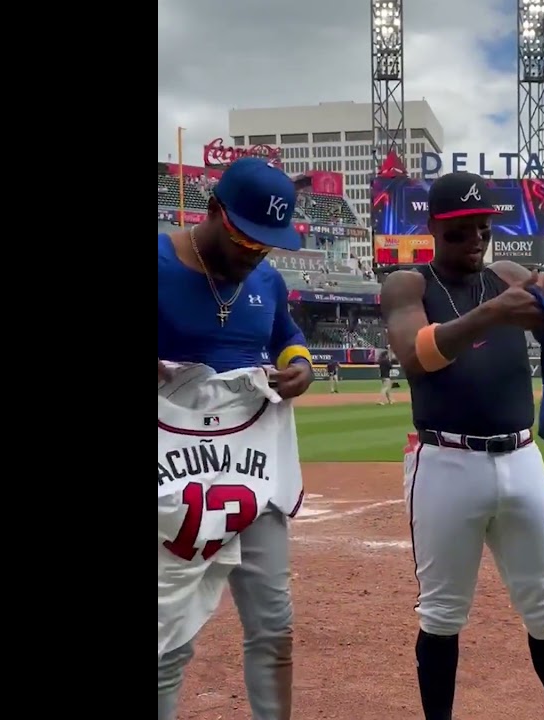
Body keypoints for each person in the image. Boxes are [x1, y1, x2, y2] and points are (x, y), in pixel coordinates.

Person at [380, 172, 544, 720]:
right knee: (443, 613)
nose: (476, 239)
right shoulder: (409, 285)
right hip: (445, 461)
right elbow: (416, 356)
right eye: (460, 231)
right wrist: (492, 314)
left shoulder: (507, 274)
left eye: (483, 228)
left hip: (522, 458)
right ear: (432, 228)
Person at [156, 157, 314, 720]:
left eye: (267, 244)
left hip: (250, 466)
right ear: (214, 210)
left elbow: (287, 337)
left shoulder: (266, 280)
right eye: (245, 238)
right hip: (169, 477)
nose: (255, 253)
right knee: (164, 638)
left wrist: (301, 366)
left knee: (274, 627)